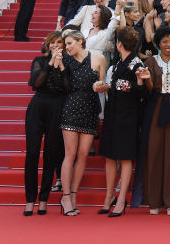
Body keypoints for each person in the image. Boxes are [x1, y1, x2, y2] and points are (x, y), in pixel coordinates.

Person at [97, 27, 149, 217]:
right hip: (113, 113)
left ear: (120, 44)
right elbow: (119, 87)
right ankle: (109, 196)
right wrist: (107, 87)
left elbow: (142, 93)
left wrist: (135, 83)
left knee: (126, 158)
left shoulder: (137, 64)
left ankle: (120, 200)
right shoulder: (119, 62)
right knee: (110, 156)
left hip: (128, 116)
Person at [141, 26, 170, 215]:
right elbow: (150, 88)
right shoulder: (151, 61)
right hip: (155, 106)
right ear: (158, 43)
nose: (168, 45)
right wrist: (146, 79)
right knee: (154, 151)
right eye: (164, 41)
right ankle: (154, 201)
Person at [58, 29, 104, 216]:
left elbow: (101, 85)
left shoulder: (98, 58)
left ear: (80, 41)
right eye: (65, 44)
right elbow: (63, 85)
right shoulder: (65, 60)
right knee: (70, 154)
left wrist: (100, 86)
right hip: (71, 108)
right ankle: (66, 196)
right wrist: (59, 65)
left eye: (69, 43)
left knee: (84, 154)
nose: (67, 47)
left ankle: (74, 194)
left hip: (90, 108)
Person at [23, 31, 68, 216]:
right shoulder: (39, 61)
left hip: (57, 109)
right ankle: (29, 199)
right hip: (37, 107)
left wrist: (61, 66)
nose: (56, 45)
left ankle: (43, 199)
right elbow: (35, 82)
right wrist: (51, 64)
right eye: (53, 42)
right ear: (48, 44)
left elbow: (67, 88)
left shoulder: (67, 64)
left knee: (51, 154)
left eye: (60, 42)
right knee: (32, 153)